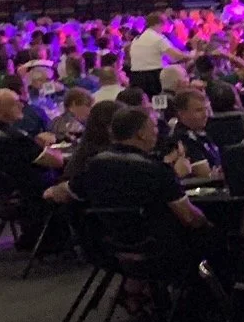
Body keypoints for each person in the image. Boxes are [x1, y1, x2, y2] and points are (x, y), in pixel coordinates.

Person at [72, 106, 210, 255]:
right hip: (164, 251)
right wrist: (210, 223)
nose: (157, 132)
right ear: (141, 134)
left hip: (113, 250)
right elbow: (189, 217)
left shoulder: (94, 165)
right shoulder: (155, 169)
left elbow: (63, 192)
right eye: (155, 126)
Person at [126, 11, 187, 91]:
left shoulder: (137, 39)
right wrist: (191, 56)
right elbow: (175, 57)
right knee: (157, 101)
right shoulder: (158, 38)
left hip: (135, 77)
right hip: (153, 77)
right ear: (160, 24)